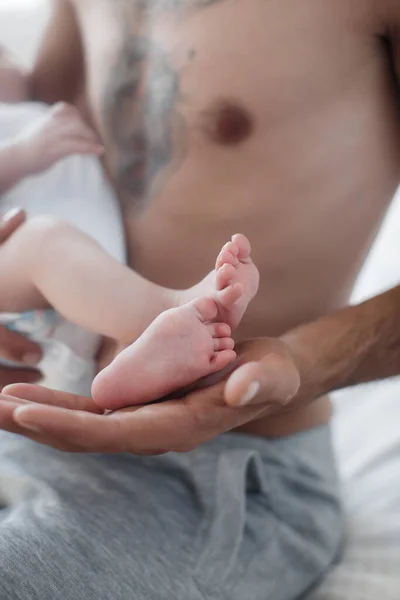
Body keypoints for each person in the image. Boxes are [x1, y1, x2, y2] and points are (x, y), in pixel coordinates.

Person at [0, 0, 399, 598]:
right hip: (30, 414)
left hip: (224, 470)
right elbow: (38, 140)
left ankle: (173, 316)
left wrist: (298, 365)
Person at [0, 46, 258, 404]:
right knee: (43, 243)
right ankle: (171, 307)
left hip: (75, 285)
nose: (12, 63)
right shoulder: (20, 129)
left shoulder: (39, 114)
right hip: (15, 260)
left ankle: (127, 374)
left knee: (111, 321)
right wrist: (22, 154)